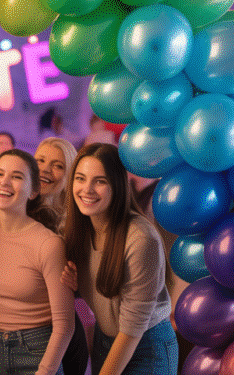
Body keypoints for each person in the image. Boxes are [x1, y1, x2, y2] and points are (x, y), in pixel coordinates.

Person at [63, 144, 177, 375]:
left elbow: (132, 329)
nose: (87, 189)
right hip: (105, 340)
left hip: (146, 345)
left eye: (100, 181)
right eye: (80, 178)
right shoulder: (80, 228)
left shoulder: (140, 238)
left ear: (117, 185)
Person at [0, 149, 74, 375]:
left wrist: (45, 371)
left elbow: (65, 325)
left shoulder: (48, 244)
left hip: (38, 349)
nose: (5, 182)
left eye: (17, 177)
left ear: (34, 191)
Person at [34, 137, 90, 375]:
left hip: (63, 331)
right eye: (40, 160)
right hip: (19, 328)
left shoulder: (78, 222)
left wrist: (80, 282)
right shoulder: (12, 213)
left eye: (57, 165)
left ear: (70, 176)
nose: (45, 169)